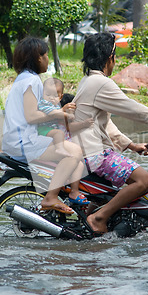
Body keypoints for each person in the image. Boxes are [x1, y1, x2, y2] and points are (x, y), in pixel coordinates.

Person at [72, 32, 148, 235]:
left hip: (84, 149)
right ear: (110, 57)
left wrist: (132, 146)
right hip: (94, 152)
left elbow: (105, 123)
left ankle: (95, 219)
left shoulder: (88, 80)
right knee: (144, 180)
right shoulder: (101, 83)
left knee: (117, 187)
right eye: (115, 56)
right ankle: (99, 217)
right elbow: (132, 108)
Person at [2, 37, 84, 214]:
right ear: (39, 58)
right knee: (75, 152)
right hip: (24, 142)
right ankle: (50, 198)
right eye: (46, 55)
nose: (48, 60)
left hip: (17, 140)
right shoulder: (33, 81)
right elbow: (32, 116)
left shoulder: (22, 79)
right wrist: (60, 114)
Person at [37, 77, 92, 205]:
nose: (51, 97)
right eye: (48, 94)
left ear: (60, 97)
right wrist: (65, 111)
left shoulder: (56, 106)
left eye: (55, 95)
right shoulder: (44, 105)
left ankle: (74, 191)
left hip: (55, 137)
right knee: (59, 134)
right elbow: (53, 114)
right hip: (45, 134)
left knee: (80, 163)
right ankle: (53, 195)